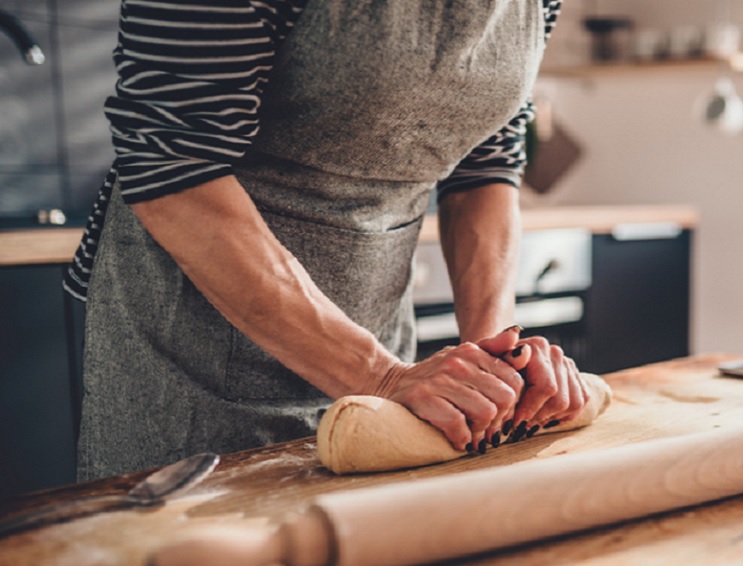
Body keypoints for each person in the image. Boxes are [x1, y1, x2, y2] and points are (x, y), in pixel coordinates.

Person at [64, 0, 585, 481]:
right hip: (192, 359)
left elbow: (485, 163)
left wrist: (497, 365)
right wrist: (377, 375)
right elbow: (174, 164)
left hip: (384, 351)